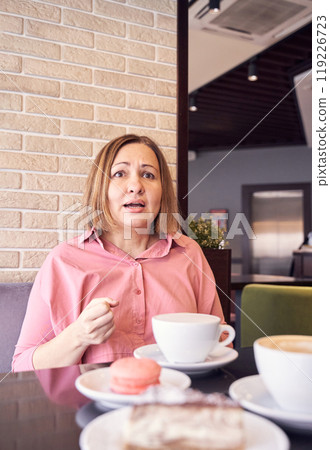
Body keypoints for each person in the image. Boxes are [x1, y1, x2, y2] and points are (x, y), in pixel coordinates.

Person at [12, 134, 229, 371]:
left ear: (162, 191)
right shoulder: (63, 260)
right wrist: (78, 336)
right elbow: (22, 367)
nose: (136, 186)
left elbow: (220, 343)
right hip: (94, 405)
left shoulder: (189, 253)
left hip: (177, 400)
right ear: (101, 188)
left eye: (148, 175)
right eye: (119, 174)